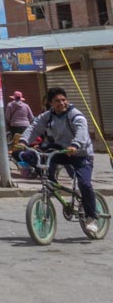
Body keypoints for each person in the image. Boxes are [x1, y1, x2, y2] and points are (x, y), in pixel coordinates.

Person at [18, 86, 99, 235]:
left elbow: (81, 131)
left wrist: (75, 145)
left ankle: (91, 217)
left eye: (63, 100)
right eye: (57, 101)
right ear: (50, 103)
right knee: (37, 155)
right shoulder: (47, 116)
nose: (61, 103)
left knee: (84, 184)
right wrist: (23, 141)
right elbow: (34, 127)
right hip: (61, 151)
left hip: (80, 153)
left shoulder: (76, 115)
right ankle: (50, 184)